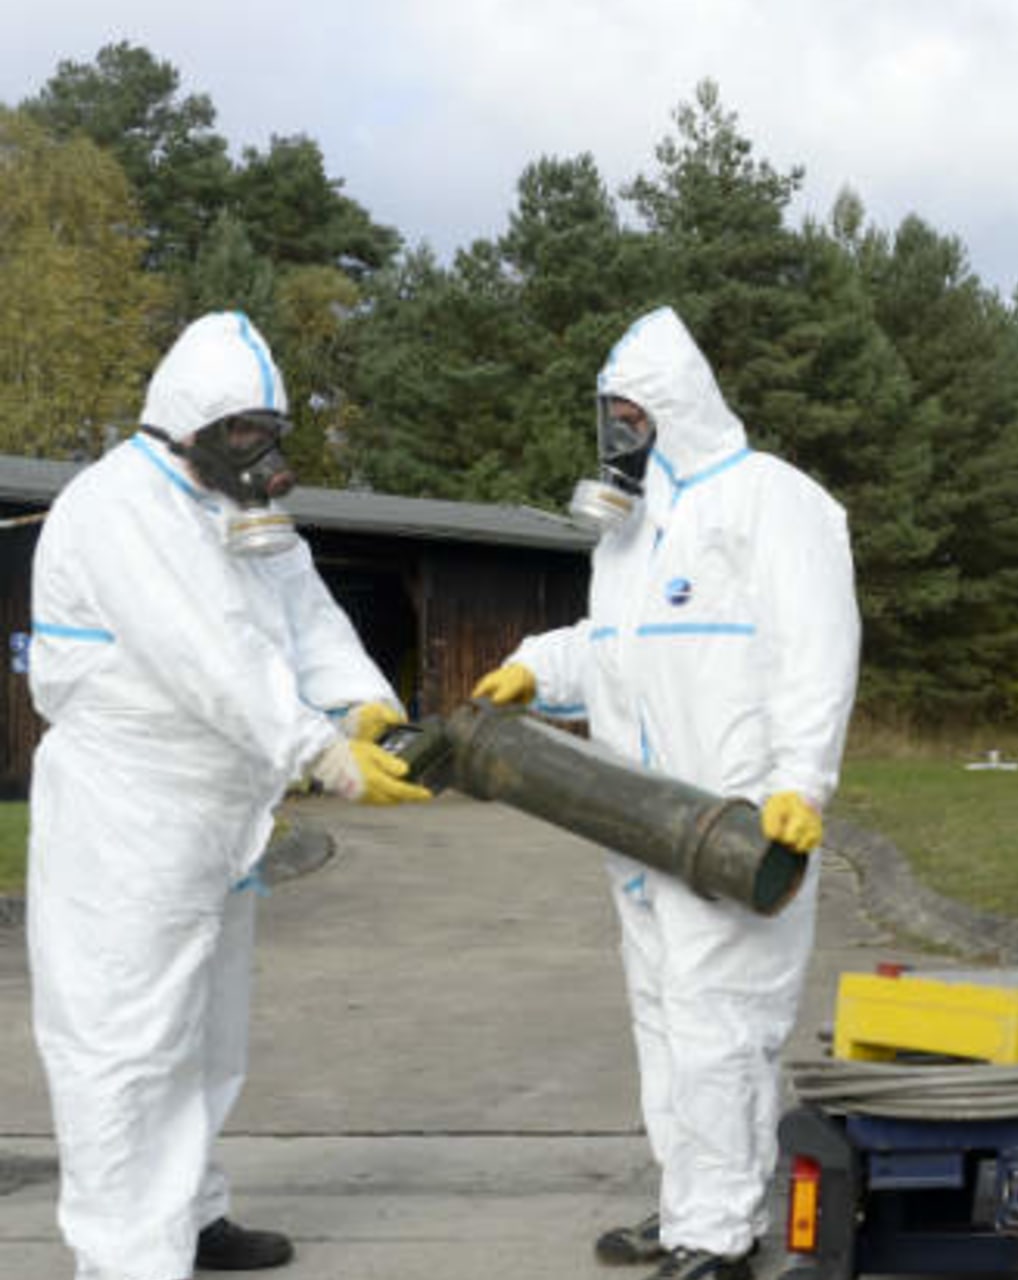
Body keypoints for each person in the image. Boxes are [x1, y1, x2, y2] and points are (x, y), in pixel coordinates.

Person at [27, 311, 432, 1280]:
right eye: (239, 432)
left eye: (269, 431)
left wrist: (363, 701)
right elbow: (210, 655)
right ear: (185, 424)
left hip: (221, 806)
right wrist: (323, 752)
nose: (260, 452)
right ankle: (126, 1256)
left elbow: (305, 613)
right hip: (129, 805)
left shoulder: (237, 504)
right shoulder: (121, 503)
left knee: (207, 1029)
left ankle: (192, 1210)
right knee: (124, 1036)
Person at [472, 305, 860, 1280]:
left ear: (676, 409)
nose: (616, 439)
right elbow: (616, 650)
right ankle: (686, 1198)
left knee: (721, 1026)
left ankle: (719, 1234)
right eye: (607, 418)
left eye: (630, 417)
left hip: (736, 829)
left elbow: (819, 650)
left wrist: (802, 780)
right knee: (667, 1024)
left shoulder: (776, 502)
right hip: (641, 833)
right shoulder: (632, 534)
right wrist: (532, 666)